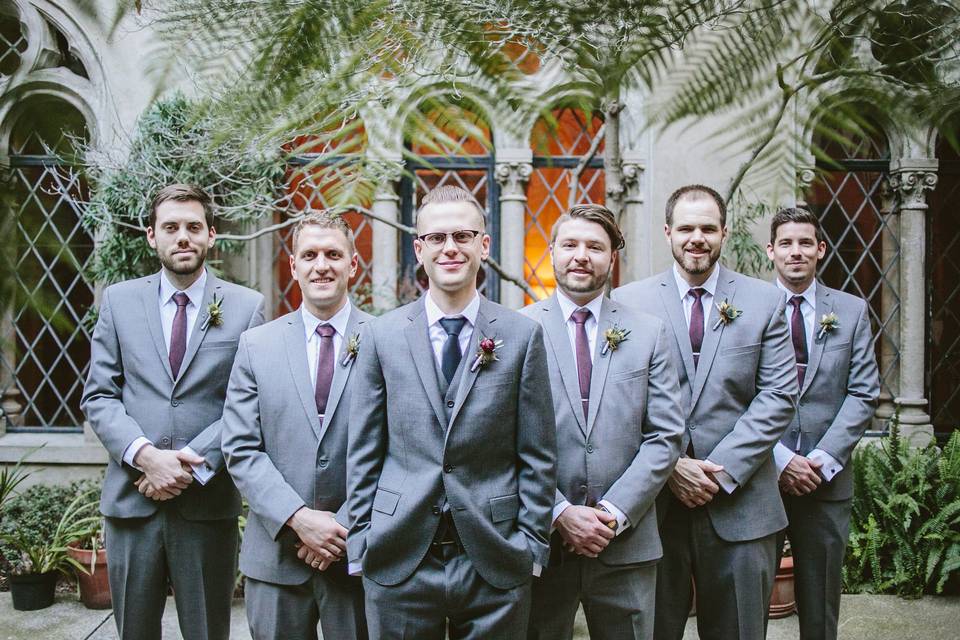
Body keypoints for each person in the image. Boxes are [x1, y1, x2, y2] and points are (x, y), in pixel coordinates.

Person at [347, 185, 557, 639]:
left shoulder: (521, 336)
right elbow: (364, 450)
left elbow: (538, 454)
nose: (450, 248)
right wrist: (362, 540)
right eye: (437, 238)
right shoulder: (382, 336)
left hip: (495, 557)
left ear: (484, 245)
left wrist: (531, 548)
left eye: (463, 236)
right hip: (399, 557)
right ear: (419, 249)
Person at [613, 184, 797, 640]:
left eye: (708, 228)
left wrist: (720, 471)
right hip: (654, 509)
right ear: (668, 232)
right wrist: (671, 465)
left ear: (725, 233)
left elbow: (777, 396)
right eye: (687, 228)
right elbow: (618, 403)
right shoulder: (629, 303)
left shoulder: (765, 302)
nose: (697, 238)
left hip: (741, 503)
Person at [81, 184, 264, 640]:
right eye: (171, 227)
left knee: (208, 631)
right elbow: (99, 395)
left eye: (193, 227)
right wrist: (146, 456)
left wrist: (185, 466)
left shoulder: (246, 307)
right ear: (151, 236)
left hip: (205, 505)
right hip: (132, 502)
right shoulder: (119, 302)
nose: (183, 237)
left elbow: (249, 404)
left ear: (211, 236)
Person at [521, 204, 684, 639]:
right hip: (542, 543)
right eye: (570, 244)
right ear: (551, 251)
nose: (581, 255)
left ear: (612, 258)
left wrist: (612, 513)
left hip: (625, 545)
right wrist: (559, 512)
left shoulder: (649, 332)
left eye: (595, 246)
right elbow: (503, 438)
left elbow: (666, 435)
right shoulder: (518, 329)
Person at [222, 212, 371, 639]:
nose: (321, 265)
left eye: (333, 254)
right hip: (275, 560)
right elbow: (240, 448)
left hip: (357, 557)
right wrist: (299, 518)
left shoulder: (385, 341)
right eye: (310, 255)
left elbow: (398, 448)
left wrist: (339, 527)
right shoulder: (256, 345)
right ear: (293, 266)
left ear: (352, 265)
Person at [767, 207, 879, 640]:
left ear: (821, 249)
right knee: (747, 601)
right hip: (761, 477)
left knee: (821, 607)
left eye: (805, 243)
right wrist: (779, 459)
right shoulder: (746, 310)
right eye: (787, 243)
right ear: (771, 250)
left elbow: (863, 392)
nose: (796, 252)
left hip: (825, 481)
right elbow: (736, 394)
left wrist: (819, 460)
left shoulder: (850, 311)